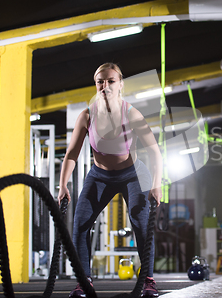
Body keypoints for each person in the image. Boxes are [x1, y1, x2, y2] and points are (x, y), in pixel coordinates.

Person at [58, 63, 162, 298]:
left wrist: (156, 184)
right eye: (100, 81)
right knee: (80, 224)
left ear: (120, 85)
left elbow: (155, 152)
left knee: (141, 223)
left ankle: (148, 280)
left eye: (111, 81)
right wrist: (63, 184)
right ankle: (83, 282)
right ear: (96, 85)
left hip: (133, 174)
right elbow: (72, 155)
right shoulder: (86, 116)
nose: (105, 85)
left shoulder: (131, 113)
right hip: (99, 176)